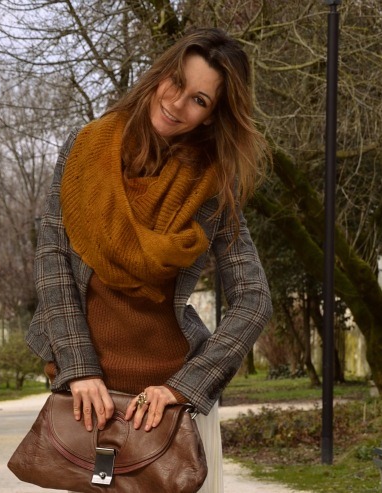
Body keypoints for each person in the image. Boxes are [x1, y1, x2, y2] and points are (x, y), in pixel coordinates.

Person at [26, 27, 272, 493]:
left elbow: (254, 299)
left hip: (169, 413)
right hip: (85, 400)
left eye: (199, 100)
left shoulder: (213, 187)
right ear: (160, 75)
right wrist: (79, 368)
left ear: (211, 117)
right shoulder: (85, 148)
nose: (177, 103)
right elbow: (53, 261)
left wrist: (184, 387)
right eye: (176, 83)